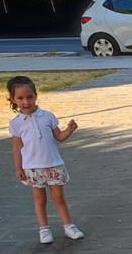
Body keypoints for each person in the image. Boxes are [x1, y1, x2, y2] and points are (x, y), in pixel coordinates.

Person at [7, 76, 84, 244]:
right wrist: (18, 168)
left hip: (54, 164)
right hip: (33, 168)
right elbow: (17, 148)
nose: (26, 101)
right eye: (20, 98)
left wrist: (69, 130)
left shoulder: (47, 116)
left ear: (35, 95)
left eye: (29, 96)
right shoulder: (16, 123)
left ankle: (68, 226)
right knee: (40, 199)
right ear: (13, 99)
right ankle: (44, 229)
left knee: (59, 198)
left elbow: (60, 137)